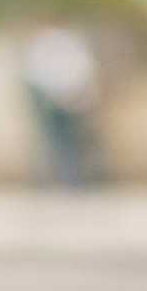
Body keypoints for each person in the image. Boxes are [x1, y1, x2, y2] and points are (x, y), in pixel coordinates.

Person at [21, 20, 102, 188]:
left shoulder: (51, 44)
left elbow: (36, 73)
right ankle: (66, 181)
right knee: (62, 142)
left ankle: (69, 180)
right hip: (62, 98)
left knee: (63, 142)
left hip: (63, 99)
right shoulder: (67, 44)